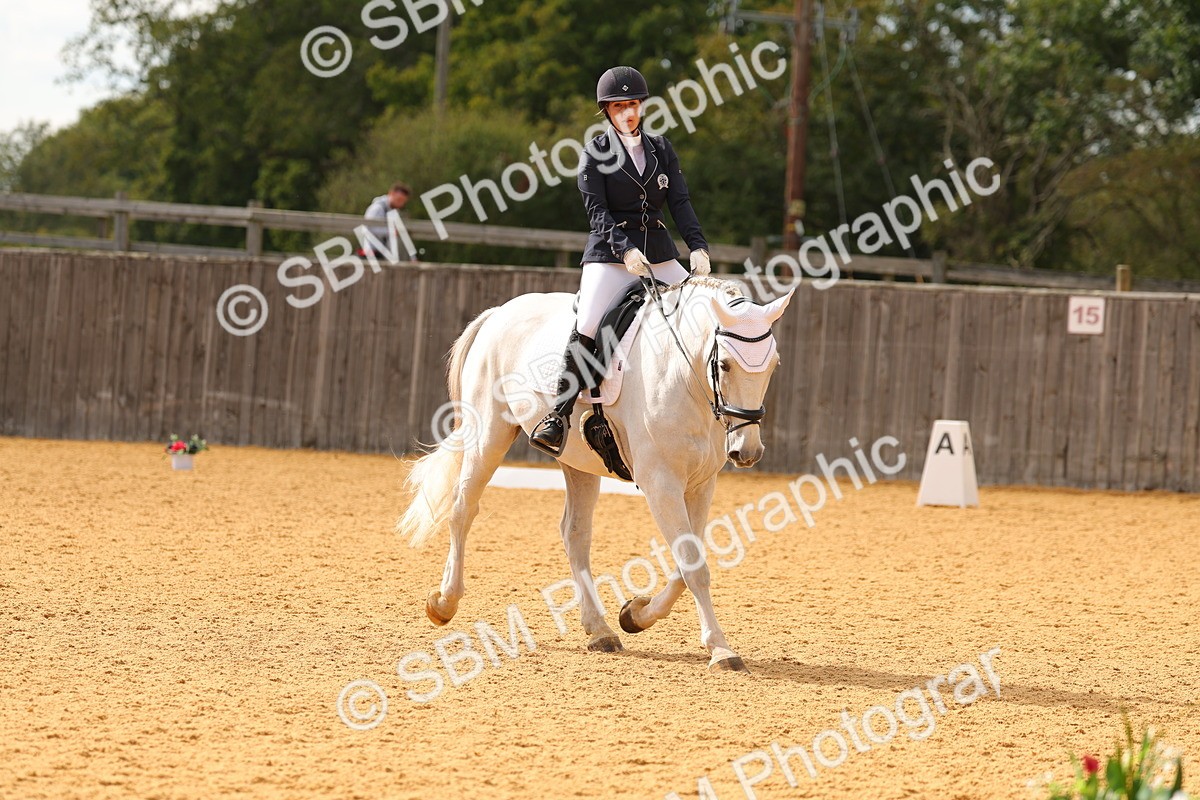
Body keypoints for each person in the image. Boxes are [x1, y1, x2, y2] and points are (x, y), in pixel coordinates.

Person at [529, 65, 711, 457]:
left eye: (632, 105)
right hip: (610, 256)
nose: (627, 113)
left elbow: (680, 202)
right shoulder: (594, 152)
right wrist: (625, 250)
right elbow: (597, 212)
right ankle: (558, 415)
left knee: (700, 312)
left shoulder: (662, 149)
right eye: (618, 106)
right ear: (607, 111)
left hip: (659, 253)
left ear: (642, 106)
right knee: (589, 322)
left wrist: (698, 247)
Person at [362, 181, 414, 259]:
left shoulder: (393, 211)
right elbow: (369, 228)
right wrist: (392, 232)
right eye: (399, 200)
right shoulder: (377, 208)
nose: (400, 204)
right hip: (372, 252)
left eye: (403, 202)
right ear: (391, 193)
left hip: (382, 253)